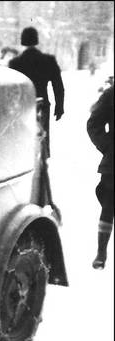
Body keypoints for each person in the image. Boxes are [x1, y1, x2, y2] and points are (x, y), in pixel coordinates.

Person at [8, 26, 65, 158]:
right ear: (36, 40)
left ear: (22, 40)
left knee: (24, 135)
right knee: (42, 136)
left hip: (23, 106)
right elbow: (58, 86)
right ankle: (42, 160)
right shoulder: (48, 60)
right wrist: (59, 106)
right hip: (42, 104)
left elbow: (13, 90)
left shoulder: (15, 63)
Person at [87, 85, 114, 270]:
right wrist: (108, 146)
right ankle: (101, 252)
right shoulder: (112, 94)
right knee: (109, 204)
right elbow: (94, 123)